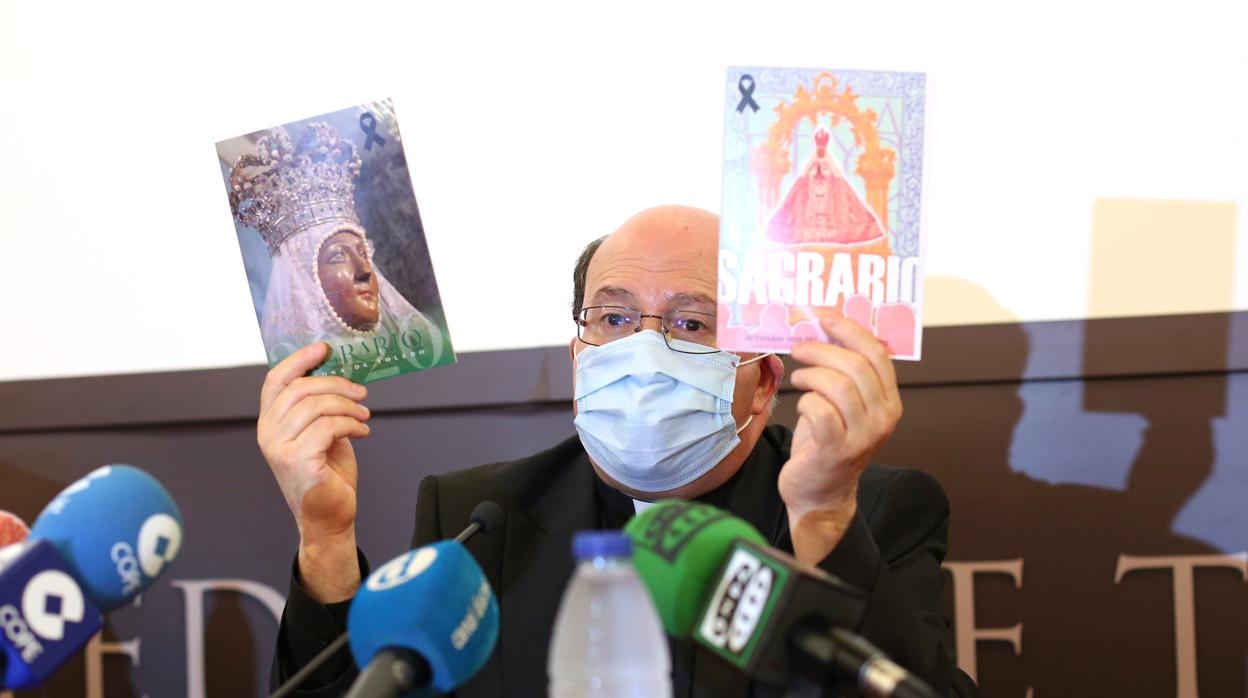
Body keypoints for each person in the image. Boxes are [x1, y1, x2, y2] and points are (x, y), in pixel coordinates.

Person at [260, 205, 977, 696]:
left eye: (691, 323)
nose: (641, 350)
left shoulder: (873, 511)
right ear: (579, 357)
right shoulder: (479, 518)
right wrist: (325, 539)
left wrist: (822, 514)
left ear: (761, 382)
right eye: (614, 317)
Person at [228, 122, 448, 379]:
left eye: (364, 254)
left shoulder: (425, 349)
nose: (365, 271)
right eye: (338, 256)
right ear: (303, 282)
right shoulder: (296, 385)